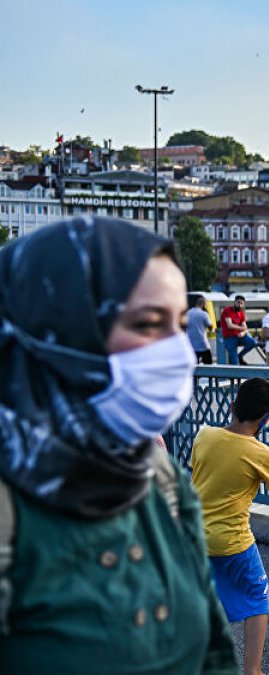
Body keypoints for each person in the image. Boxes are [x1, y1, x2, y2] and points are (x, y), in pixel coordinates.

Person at [0, 216, 236, 672]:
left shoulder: (157, 476)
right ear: (62, 330)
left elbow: (214, 655)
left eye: (180, 325)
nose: (178, 353)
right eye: (148, 324)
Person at [191, 378, 269, 675]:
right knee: (258, 598)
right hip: (233, 542)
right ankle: (253, 670)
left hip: (196, 539)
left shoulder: (204, 436)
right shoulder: (260, 453)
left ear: (232, 406)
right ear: (267, 419)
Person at [220, 295, 258, 365]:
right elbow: (230, 325)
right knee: (234, 361)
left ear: (243, 305)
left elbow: (245, 327)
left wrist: (243, 333)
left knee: (252, 343)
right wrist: (242, 328)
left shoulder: (241, 314)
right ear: (234, 302)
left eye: (241, 303)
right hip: (229, 337)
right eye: (238, 302)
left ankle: (240, 356)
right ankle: (234, 374)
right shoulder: (227, 310)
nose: (240, 305)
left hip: (240, 336)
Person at [188, 294, 215, 364]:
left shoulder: (187, 313)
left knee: (194, 367)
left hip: (191, 344)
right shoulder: (204, 314)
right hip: (203, 344)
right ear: (203, 304)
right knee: (208, 365)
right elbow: (210, 327)